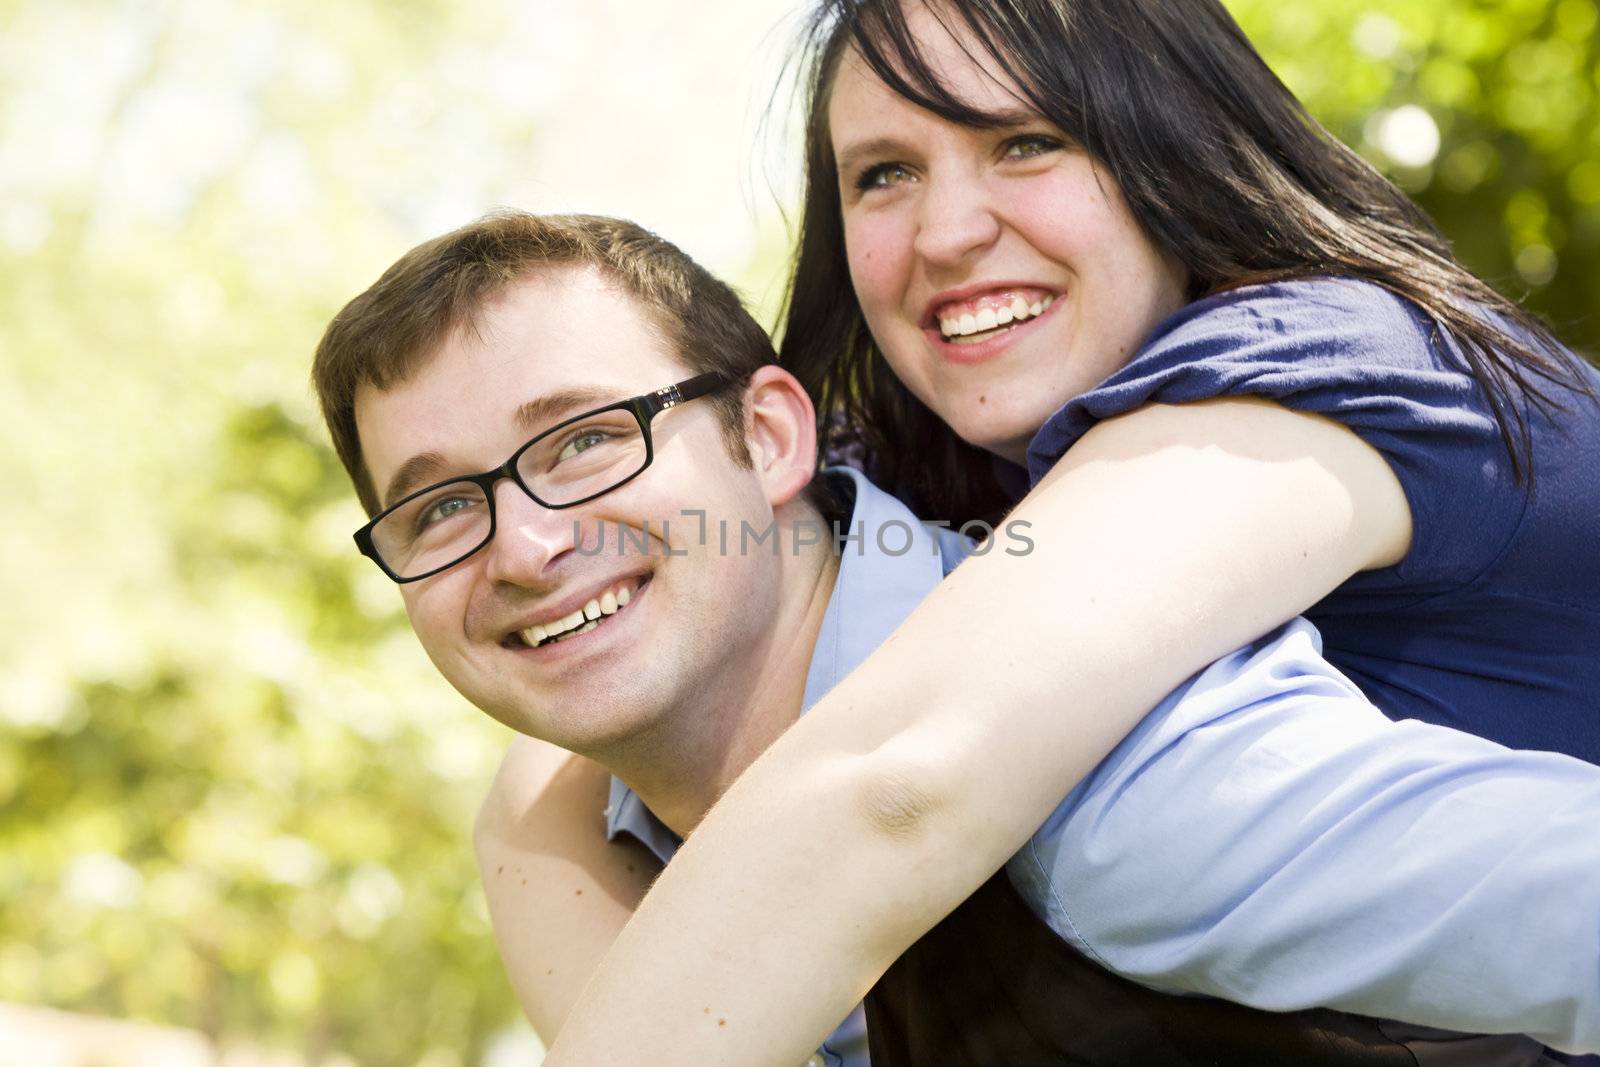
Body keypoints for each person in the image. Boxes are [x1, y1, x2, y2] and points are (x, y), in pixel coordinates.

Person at [541, 1, 1600, 1064]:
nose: (945, 233)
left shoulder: (1313, 370)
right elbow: (553, 764)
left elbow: (898, 778)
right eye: (883, 174)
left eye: (1028, 142)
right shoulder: (959, 467)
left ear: (1179, 145)